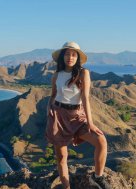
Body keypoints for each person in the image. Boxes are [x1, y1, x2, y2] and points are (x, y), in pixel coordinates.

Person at [45, 41, 111, 189]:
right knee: (62, 158)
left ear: (78, 57)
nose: (70, 57)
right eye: (67, 54)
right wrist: (48, 110)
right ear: (62, 56)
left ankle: (98, 176)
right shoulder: (57, 75)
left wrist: (90, 123)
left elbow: (86, 98)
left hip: (77, 116)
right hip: (58, 118)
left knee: (101, 141)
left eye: (73, 54)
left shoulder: (83, 73)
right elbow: (52, 95)